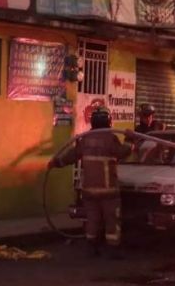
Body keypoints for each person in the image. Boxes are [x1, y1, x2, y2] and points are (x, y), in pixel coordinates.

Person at [47, 106, 132, 259]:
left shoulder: (85, 139)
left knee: (92, 219)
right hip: (108, 191)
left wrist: (56, 162)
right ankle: (113, 249)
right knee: (112, 220)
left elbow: (72, 155)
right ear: (108, 121)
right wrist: (130, 139)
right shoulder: (110, 138)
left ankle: (91, 247)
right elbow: (123, 152)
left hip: (89, 190)